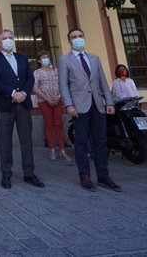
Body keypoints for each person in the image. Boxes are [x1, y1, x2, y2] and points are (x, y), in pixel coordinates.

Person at [58, 28, 121, 192]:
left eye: (80, 36)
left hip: (97, 105)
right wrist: (69, 105)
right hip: (79, 107)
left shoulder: (94, 58)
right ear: (69, 41)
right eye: (74, 37)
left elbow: (103, 82)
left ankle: (103, 176)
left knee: (101, 141)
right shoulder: (65, 60)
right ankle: (84, 176)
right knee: (81, 142)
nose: (78, 39)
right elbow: (64, 85)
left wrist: (109, 102)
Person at [0, 29, 44, 189]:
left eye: (10, 38)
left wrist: (24, 93)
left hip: (23, 104)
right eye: (4, 38)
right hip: (4, 106)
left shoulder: (22, 58)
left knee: (26, 139)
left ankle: (29, 173)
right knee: (5, 141)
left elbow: (29, 77)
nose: (8, 40)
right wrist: (12, 93)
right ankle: (6, 174)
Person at [33, 50, 71, 161]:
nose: (46, 59)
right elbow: (35, 87)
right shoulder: (37, 72)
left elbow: (64, 84)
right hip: (44, 101)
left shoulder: (57, 71)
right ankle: (51, 149)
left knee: (58, 123)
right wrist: (47, 99)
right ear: (39, 60)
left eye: (47, 57)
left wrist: (59, 97)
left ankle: (62, 150)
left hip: (57, 100)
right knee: (49, 123)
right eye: (43, 57)